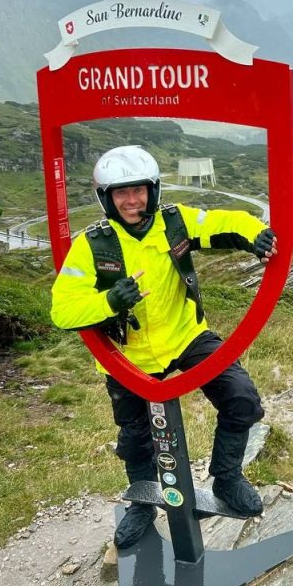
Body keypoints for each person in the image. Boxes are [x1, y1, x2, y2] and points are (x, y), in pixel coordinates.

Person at [50, 145, 277, 549]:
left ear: (152, 190)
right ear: (106, 198)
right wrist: (109, 302)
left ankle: (227, 479)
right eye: (121, 193)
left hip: (186, 335)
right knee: (135, 436)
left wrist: (255, 235)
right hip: (129, 354)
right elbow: (62, 309)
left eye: (138, 190)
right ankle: (142, 503)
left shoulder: (175, 221)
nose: (131, 201)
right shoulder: (92, 245)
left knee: (241, 397)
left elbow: (223, 221)